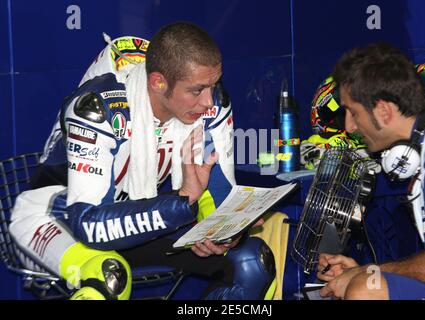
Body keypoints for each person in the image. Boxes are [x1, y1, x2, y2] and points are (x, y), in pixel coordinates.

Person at [9, 22, 275, 300]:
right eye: (197, 90)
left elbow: (220, 199)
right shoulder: (99, 108)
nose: (209, 101)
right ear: (158, 82)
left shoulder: (212, 104)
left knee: (251, 261)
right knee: (108, 275)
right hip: (57, 218)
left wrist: (226, 233)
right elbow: (91, 227)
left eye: (213, 85)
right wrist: (182, 203)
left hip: (134, 216)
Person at [316, 43, 425, 300]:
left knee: (365, 288)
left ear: (385, 112)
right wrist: (366, 272)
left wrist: (368, 273)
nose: (349, 126)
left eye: (353, 113)